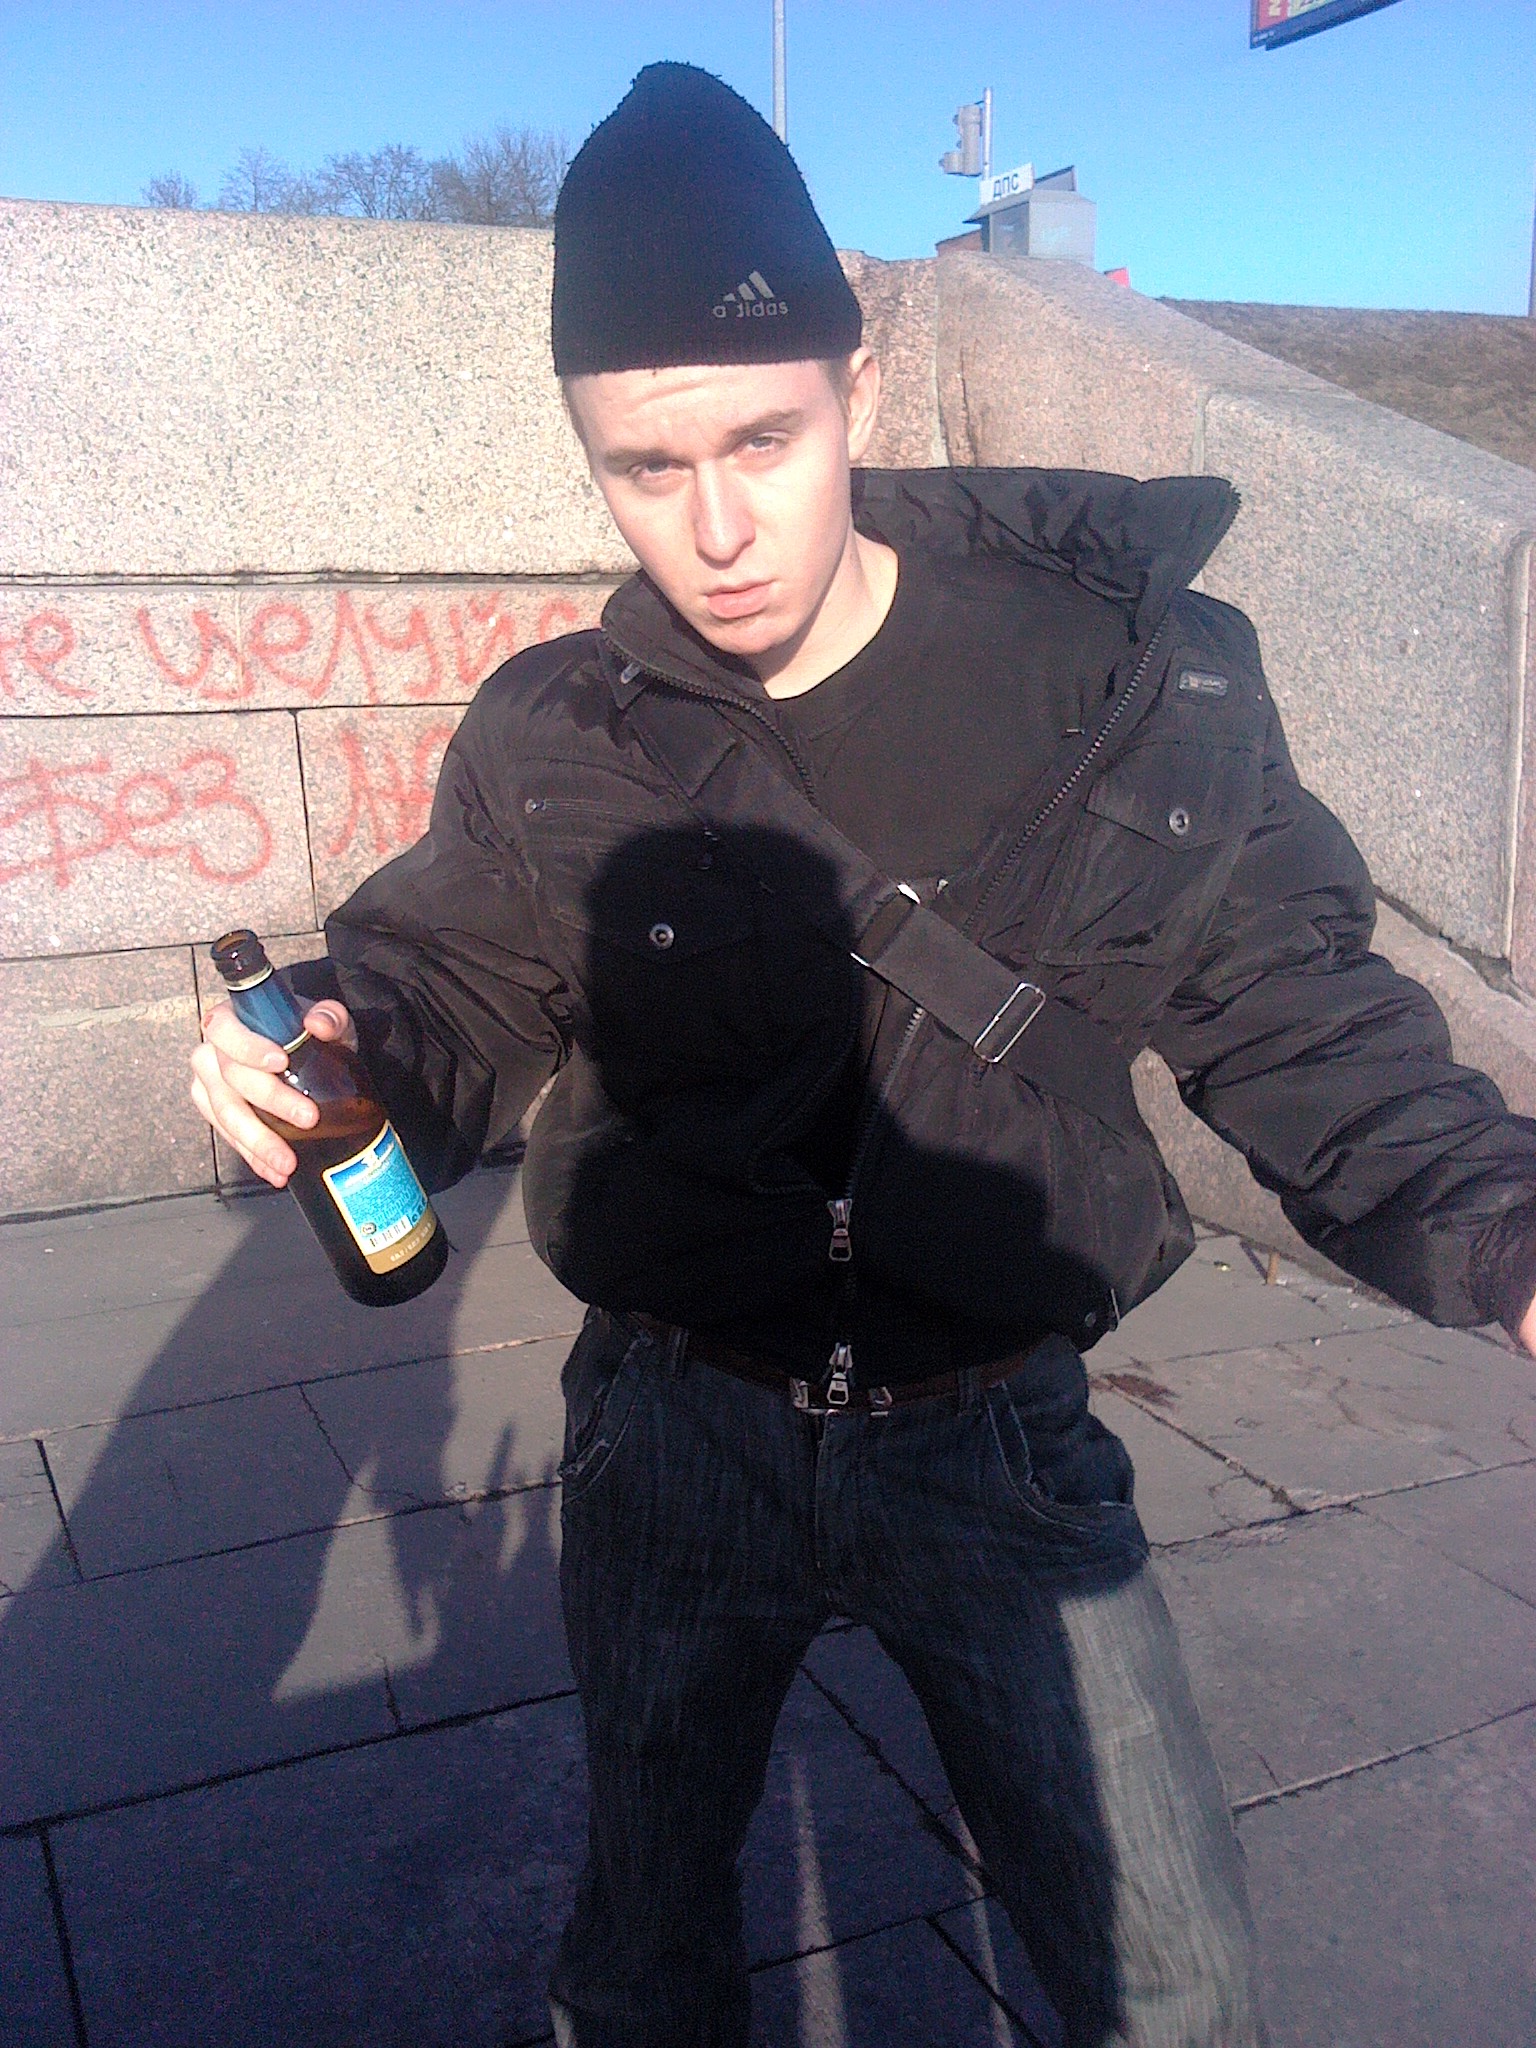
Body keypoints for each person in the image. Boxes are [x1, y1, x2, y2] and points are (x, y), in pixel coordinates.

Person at [190, 63, 1536, 2048]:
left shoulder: (1124, 679)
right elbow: (444, 1000)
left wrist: (1503, 1231)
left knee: (1172, 1988)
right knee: (645, 1960)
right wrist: (329, 1044)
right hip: (673, 1431)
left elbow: (1294, 1008)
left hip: (996, 1441)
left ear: (860, 390)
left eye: (764, 437)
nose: (718, 526)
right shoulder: (560, 732)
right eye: (648, 468)